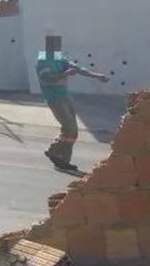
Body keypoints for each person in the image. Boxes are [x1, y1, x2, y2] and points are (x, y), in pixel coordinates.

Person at [36, 35, 109, 171]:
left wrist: (96, 76)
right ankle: (54, 150)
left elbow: (77, 69)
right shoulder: (43, 60)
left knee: (72, 131)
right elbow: (45, 77)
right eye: (56, 45)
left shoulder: (58, 57)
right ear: (49, 46)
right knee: (70, 128)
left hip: (65, 96)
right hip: (54, 98)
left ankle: (63, 159)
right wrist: (64, 74)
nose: (59, 47)